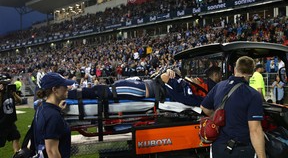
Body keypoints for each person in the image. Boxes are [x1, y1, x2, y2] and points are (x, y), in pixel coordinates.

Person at [200, 56, 270, 158]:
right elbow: (255, 130)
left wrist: (216, 116)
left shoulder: (219, 86)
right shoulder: (252, 95)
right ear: (252, 72)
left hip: (218, 147)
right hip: (239, 150)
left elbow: (204, 107)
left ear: (235, 69)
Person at [68, 68, 204, 107]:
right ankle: (70, 93)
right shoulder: (183, 82)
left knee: (103, 91)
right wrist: (168, 73)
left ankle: (69, 95)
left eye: (198, 80)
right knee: (104, 89)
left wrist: (165, 80)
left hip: (141, 89)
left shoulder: (187, 90)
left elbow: (181, 98)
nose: (196, 78)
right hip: (141, 84)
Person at [34, 72, 75, 158]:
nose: (67, 88)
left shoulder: (42, 108)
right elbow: (52, 151)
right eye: (64, 86)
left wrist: (58, 109)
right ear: (54, 89)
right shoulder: (52, 116)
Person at [0, 74, 21, 158]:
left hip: (10, 122)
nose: (5, 86)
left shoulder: (10, 92)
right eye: (4, 84)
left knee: (16, 137)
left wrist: (14, 94)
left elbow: (19, 101)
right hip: (1, 123)